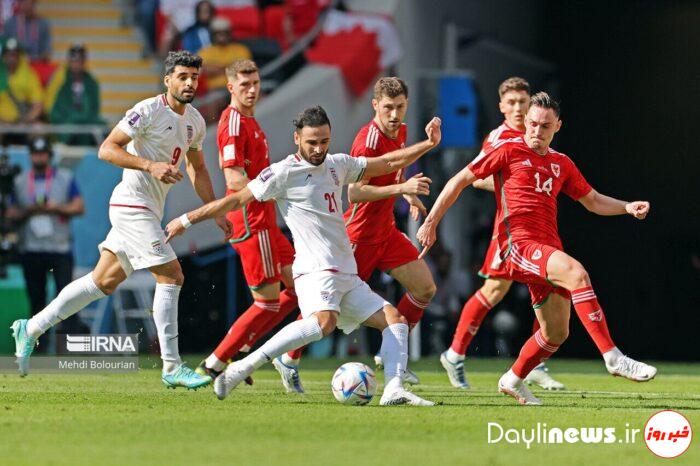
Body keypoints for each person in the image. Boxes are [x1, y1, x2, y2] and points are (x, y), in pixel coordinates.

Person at [166, 106, 442, 406]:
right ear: (297, 138)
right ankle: (240, 368)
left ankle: (393, 390)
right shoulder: (283, 172)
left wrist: (427, 145)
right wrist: (186, 220)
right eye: (312, 142)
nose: (318, 148)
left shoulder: (338, 164)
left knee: (396, 321)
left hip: (346, 273)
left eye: (324, 141)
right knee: (323, 323)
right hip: (315, 270)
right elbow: (235, 199)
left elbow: (385, 162)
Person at [418, 92, 656, 405]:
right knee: (576, 273)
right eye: (532, 124)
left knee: (556, 332)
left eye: (544, 126)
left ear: (558, 126)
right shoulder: (507, 149)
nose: (536, 131)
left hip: (546, 247)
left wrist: (627, 207)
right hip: (517, 244)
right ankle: (613, 357)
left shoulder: (561, 163)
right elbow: (460, 180)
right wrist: (431, 222)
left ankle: (514, 378)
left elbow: (594, 201)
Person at [11, 51, 231, 390]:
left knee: (101, 282)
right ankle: (171, 366)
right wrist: (149, 165)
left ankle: (32, 328)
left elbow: (198, 169)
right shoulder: (147, 110)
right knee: (172, 274)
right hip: (131, 205)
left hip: (148, 209)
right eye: (183, 77)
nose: (189, 83)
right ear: (167, 79)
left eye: (194, 78)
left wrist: (214, 210)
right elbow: (107, 149)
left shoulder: (196, 122)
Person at [274, 77, 436, 391]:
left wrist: (407, 195)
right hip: (359, 237)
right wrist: (402, 187)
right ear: (375, 105)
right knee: (326, 310)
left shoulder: (400, 131)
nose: (394, 114)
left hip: (386, 233)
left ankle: (392, 353)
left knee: (425, 288)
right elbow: (356, 193)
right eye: (387, 107)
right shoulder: (368, 139)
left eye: (399, 107)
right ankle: (288, 357)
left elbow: (392, 170)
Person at [440, 77, 565, 391]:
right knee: (495, 291)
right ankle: (455, 353)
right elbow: (476, 178)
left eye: (523, 102)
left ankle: (536, 364)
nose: (519, 109)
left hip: (535, 228)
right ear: (501, 107)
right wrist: (513, 183)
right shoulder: (499, 139)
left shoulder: (534, 132)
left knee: (549, 281)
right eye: (511, 103)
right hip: (508, 230)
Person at [194, 59, 299, 384]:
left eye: (255, 84)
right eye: (244, 85)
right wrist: (277, 185)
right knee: (267, 304)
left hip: (266, 222)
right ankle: (215, 363)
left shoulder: (250, 121)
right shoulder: (234, 123)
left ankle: (244, 348)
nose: (252, 91)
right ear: (230, 88)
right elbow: (234, 178)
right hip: (253, 223)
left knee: (303, 288)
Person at [6, 137, 85, 337]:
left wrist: (56, 207)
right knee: (36, 302)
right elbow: (10, 213)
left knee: (67, 301)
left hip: (59, 249)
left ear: (49, 155)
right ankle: (38, 352)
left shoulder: (64, 177)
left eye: (42, 153)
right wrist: (29, 210)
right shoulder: (20, 180)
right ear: (30, 156)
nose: (39, 157)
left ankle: (68, 349)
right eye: (35, 153)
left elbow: (78, 207)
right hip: (32, 249)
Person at [45, 44, 103, 145]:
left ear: (84, 62)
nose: (76, 64)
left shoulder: (91, 82)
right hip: (64, 124)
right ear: (69, 61)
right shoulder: (60, 79)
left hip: (86, 126)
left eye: (79, 61)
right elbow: (52, 107)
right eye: (73, 61)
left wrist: (82, 118)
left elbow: (94, 109)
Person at [198, 16, 252, 90]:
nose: (221, 36)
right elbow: (202, 71)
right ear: (213, 35)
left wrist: (215, 68)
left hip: (238, 89)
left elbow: (244, 70)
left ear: (229, 33)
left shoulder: (241, 49)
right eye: (218, 33)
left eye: (224, 33)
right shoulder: (205, 51)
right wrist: (230, 67)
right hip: (213, 92)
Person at [0, 38, 43, 125]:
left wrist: (27, 120)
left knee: (39, 129)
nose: (11, 58)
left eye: (14, 55)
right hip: (2, 123)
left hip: (24, 121)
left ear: (19, 57)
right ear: (3, 57)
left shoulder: (29, 75)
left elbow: (38, 104)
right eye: (8, 55)